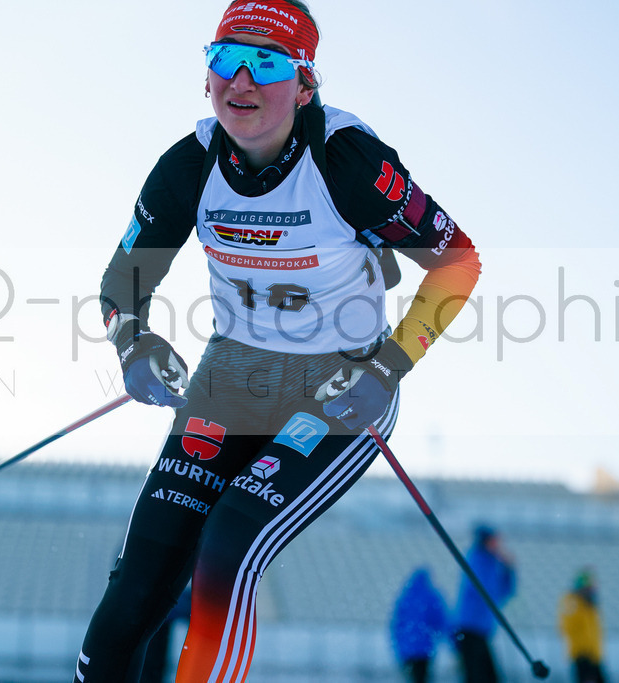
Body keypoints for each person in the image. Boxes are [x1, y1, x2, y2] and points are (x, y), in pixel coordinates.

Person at [74, 1, 481, 680]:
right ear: (207, 76)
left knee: (228, 546)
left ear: (304, 84)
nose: (242, 80)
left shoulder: (347, 162)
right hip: (231, 376)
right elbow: (122, 282)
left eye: (266, 62)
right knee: (138, 581)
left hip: (340, 384)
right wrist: (133, 343)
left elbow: (457, 262)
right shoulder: (187, 166)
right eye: (226, 58)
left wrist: (388, 368)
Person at [452, 525, 516, 683]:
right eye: (494, 541)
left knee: (486, 676)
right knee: (477, 675)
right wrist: (501, 561)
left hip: (481, 630)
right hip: (469, 628)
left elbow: (504, 592)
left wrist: (509, 570)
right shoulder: (478, 559)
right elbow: (485, 589)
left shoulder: (491, 563)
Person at [390, 567, 447, 683]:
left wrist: (398, 646)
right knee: (422, 677)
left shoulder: (405, 597)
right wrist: (444, 636)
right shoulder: (431, 596)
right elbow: (439, 619)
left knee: (412, 677)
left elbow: (396, 624)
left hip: (407, 649)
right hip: (424, 649)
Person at [558, 568, 607, 683]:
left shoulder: (590, 604)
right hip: (582, 654)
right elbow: (568, 626)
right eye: (588, 588)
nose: (591, 591)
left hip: (594, 654)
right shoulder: (572, 602)